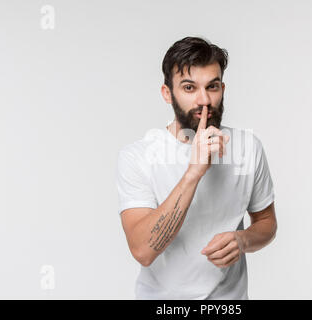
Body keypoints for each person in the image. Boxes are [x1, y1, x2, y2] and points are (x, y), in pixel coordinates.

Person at [116, 36, 277, 300]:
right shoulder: (138, 157)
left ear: (222, 89)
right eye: (189, 88)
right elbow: (143, 251)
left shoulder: (248, 147)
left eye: (212, 87)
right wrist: (194, 172)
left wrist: (243, 240)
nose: (204, 100)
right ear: (167, 93)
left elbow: (266, 221)